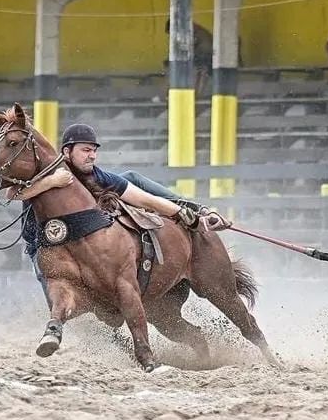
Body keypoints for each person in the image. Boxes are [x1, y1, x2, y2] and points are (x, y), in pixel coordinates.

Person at [14, 123, 230, 306]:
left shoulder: (97, 176)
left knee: (131, 178)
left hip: (83, 245)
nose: (92, 156)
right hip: (41, 244)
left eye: (93, 151)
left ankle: (196, 208)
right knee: (55, 298)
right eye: (85, 150)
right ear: (66, 152)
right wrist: (51, 182)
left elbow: (147, 199)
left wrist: (190, 212)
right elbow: (13, 193)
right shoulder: (48, 171)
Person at [163, 20, 217, 93]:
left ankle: (197, 93)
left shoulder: (188, 30)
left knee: (201, 71)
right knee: (202, 72)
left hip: (204, 52)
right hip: (206, 51)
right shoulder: (192, 27)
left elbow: (188, 46)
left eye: (171, 33)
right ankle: (197, 92)